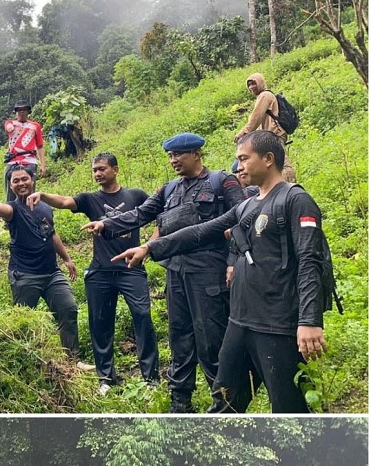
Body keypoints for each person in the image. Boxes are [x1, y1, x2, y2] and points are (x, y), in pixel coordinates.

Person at [113, 131, 329, 413]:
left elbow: (310, 262)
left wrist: (309, 320)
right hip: (240, 321)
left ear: (268, 159)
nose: (238, 166)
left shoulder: (295, 200)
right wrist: (150, 248)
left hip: (276, 322)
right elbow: (200, 232)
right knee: (225, 396)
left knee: (287, 405)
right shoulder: (246, 206)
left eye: (243, 159)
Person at [83, 133, 245, 412]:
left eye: (178, 155)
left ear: (196, 154)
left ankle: (225, 404)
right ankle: (180, 402)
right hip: (176, 272)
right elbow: (140, 213)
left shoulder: (222, 182)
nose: (173, 161)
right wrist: (106, 225)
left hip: (209, 273)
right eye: (170, 156)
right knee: (179, 336)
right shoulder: (169, 189)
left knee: (210, 338)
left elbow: (242, 221)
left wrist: (233, 260)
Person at [27, 152, 159, 395]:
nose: (98, 173)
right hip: (100, 272)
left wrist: (146, 248)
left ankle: (151, 379)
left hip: (132, 269)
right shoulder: (90, 199)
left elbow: (161, 217)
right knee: (100, 324)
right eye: (94, 170)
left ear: (116, 169)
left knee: (143, 318)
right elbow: (66, 202)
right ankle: (106, 378)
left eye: (102, 169)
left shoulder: (136, 196)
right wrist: (43, 195)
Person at [0, 167, 95, 370]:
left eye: (24, 179)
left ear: (33, 179)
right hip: (25, 275)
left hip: (52, 272)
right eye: (15, 181)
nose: (21, 183)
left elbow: (51, 234)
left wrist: (67, 259)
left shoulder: (44, 207)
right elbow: (2, 209)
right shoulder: (13, 209)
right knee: (24, 321)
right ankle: (26, 364)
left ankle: (71, 362)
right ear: (11, 185)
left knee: (68, 309)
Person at [235, 73, 296, 182]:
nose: (251, 87)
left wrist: (244, 133)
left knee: (282, 164)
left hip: (273, 135)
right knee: (273, 164)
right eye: (249, 85)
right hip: (269, 136)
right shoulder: (263, 96)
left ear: (261, 82)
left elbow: (256, 117)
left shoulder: (265, 96)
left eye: (254, 83)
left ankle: (288, 187)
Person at [4, 101, 46, 202]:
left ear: (28, 112)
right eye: (18, 110)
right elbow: (8, 127)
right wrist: (10, 128)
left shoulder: (35, 126)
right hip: (13, 161)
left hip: (30, 161)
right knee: (11, 193)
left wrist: (43, 165)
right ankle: (10, 213)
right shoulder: (11, 123)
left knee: (29, 192)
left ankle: (30, 213)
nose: (21, 112)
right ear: (15, 112)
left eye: (23, 110)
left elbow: (40, 146)